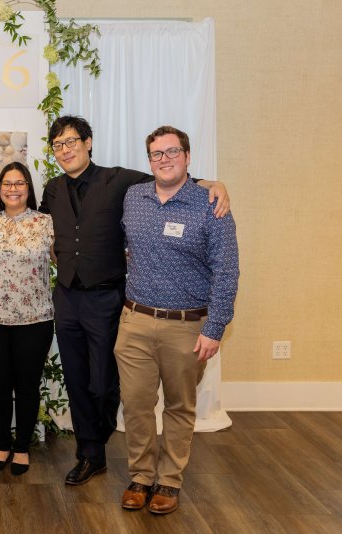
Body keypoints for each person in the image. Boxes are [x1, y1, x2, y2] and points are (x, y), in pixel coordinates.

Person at [39, 116, 230, 486]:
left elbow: (171, 180)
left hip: (109, 299)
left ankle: (104, 433)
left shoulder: (120, 181)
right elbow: (48, 233)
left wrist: (213, 184)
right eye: (58, 145)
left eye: (71, 141)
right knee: (77, 380)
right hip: (67, 299)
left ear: (89, 142)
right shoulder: (51, 189)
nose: (65, 150)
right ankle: (90, 454)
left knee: (105, 383)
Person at [116, 125, 239, 514]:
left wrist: (214, 327)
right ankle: (140, 476)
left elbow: (227, 270)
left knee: (179, 406)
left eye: (172, 152)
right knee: (135, 404)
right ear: (148, 160)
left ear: (187, 156)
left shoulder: (210, 204)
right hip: (134, 320)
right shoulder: (134, 197)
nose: (164, 160)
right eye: (157, 154)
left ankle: (168, 482)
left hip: (187, 326)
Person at [0, 162, 55, 476]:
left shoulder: (45, 222)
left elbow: (66, 256)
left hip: (34, 319)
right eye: (7, 183)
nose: (13, 189)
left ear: (28, 188)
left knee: (28, 385)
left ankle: (22, 447)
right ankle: (2, 444)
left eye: (19, 183)